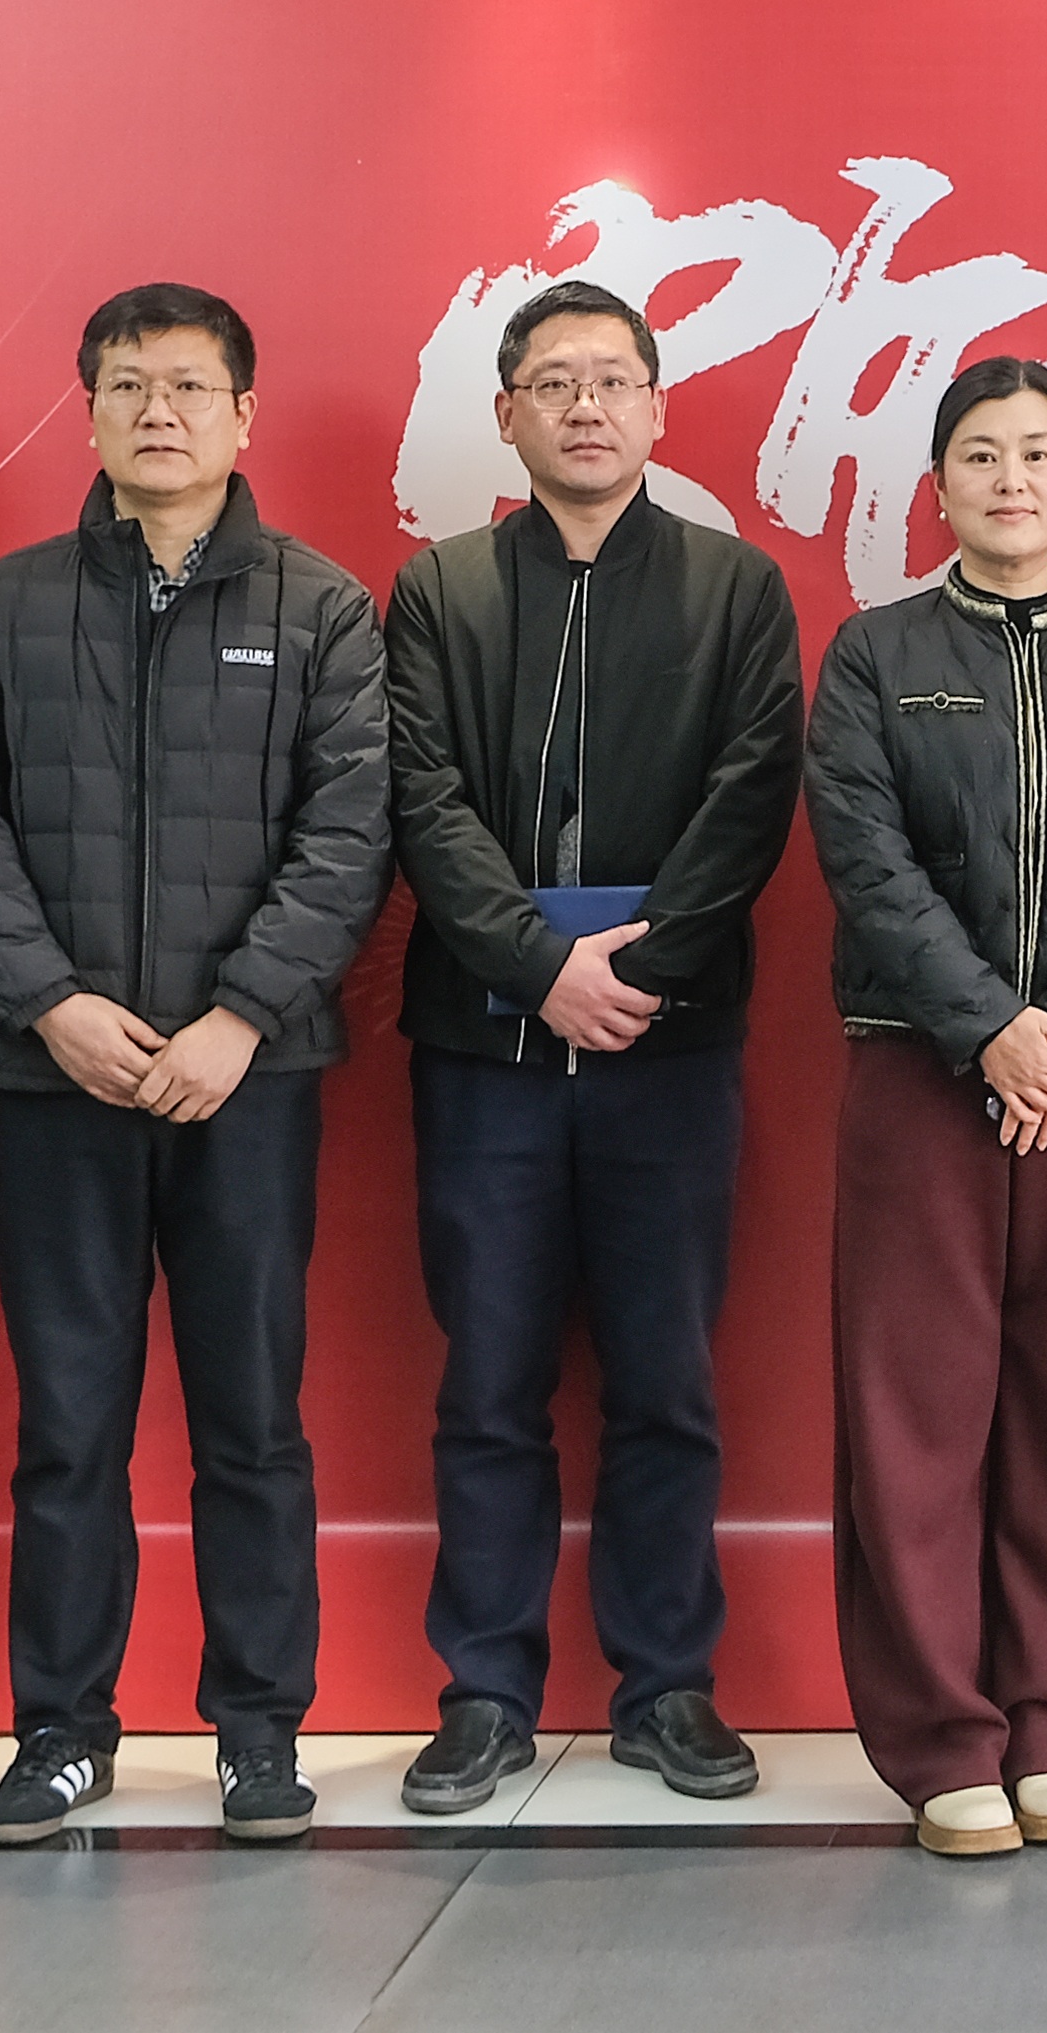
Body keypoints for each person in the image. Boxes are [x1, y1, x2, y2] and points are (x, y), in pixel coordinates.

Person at [0, 283, 389, 1846]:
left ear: (244, 413)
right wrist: (50, 1003)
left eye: (189, 384)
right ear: (91, 412)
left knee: (252, 1415)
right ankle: (62, 1727)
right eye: (128, 384)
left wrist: (239, 1013)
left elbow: (347, 833)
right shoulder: (6, 604)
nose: (159, 410)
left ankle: (259, 1726)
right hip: (56, 1080)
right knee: (69, 1421)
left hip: (247, 1077)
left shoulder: (320, 607)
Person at [383, 278, 804, 1815]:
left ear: (657, 408)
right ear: (504, 414)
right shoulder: (440, 590)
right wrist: (535, 966)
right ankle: (484, 1690)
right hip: (484, 1047)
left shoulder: (731, 587)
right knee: (487, 1381)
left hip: (666, 1044)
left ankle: (666, 1682)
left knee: (664, 1380)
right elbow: (421, 795)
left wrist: (637, 967)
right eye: (551, 380)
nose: (583, 405)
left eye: (612, 379)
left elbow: (753, 794)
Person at [805, 357, 1047, 1859]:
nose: (1011, 478)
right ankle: (941, 1742)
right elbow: (865, 854)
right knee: (913, 1408)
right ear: (940, 486)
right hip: (917, 1066)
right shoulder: (874, 654)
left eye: (1038, 452)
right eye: (980, 454)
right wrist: (987, 1029)